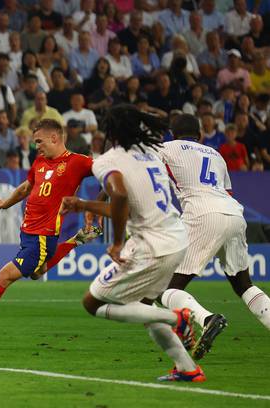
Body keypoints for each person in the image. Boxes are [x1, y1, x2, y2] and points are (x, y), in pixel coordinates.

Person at [61, 104, 202, 382]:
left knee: (92, 302)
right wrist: (86, 204)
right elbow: (126, 200)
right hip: (176, 239)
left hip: (150, 247)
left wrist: (115, 243)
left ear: (109, 131)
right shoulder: (150, 152)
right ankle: (188, 368)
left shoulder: (106, 161)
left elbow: (121, 197)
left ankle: (179, 319)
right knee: (145, 307)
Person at [0, 119, 100, 333]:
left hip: (43, 236)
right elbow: (26, 188)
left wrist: (99, 203)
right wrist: (5, 203)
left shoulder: (77, 163)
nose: (36, 146)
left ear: (54, 137)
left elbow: (108, 171)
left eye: (39, 141)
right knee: (39, 271)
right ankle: (78, 239)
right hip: (27, 233)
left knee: (4, 276)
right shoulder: (39, 161)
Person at [158, 114, 270, 358]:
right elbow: (226, 191)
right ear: (200, 134)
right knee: (244, 285)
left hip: (202, 215)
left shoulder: (166, 148)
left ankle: (207, 319)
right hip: (233, 214)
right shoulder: (215, 154)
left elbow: (136, 167)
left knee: (166, 288)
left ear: (173, 133)